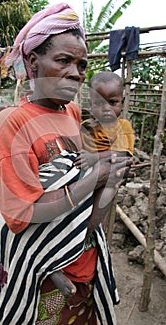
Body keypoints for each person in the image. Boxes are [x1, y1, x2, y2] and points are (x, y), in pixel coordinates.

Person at [0, 3, 133, 325]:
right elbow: (18, 214)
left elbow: (74, 172)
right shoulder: (13, 123)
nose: (76, 73)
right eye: (63, 60)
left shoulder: (70, 113)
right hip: (45, 269)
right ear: (32, 62)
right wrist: (97, 177)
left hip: (85, 256)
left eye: (82, 65)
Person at [50, 71, 135, 297]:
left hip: (107, 181)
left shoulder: (123, 126)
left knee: (101, 202)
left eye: (113, 102)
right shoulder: (87, 125)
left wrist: (96, 157)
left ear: (122, 103)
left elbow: (124, 154)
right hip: (86, 181)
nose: (106, 108)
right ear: (91, 103)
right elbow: (80, 154)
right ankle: (59, 252)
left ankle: (83, 237)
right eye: (99, 102)